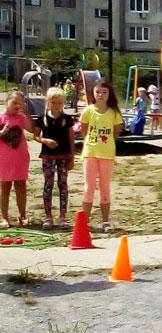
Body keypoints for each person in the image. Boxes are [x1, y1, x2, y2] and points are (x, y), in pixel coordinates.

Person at [80, 80, 123, 232]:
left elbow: (116, 132)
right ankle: (84, 222)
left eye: (104, 92)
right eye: (98, 92)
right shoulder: (88, 111)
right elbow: (84, 130)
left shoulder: (114, 113)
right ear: (93, 93)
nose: (101, 95)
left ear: (109, 94)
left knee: (105, 187)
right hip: (90, 153)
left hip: (107, 154)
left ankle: (105, 221)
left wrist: (106, 142)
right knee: (89, 187)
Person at [32, 87, 75, 229]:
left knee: (63, 184)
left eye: (59, 103)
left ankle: (63, 216)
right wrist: (45, 141)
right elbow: (35, 136)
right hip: (48, 156)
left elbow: (71, 139)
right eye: (53, 102)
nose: (56, 105)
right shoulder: (42, 119)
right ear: (48, 102)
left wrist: (72, 158)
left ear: (63, 103)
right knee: (48, 184)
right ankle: (48, 216)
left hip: (64, 156)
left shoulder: (67, 119)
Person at [0, 91, 32, 228]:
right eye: (14, 102)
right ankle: (4, 217)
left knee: (21, 187)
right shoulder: (1, 117)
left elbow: (31, 129)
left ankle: (22, 215)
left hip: (20, 158)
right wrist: (3, 131)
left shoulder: (21, 117)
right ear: (6, 102)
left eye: (20, 103)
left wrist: (27, 113)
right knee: (5, 188)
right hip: (4, 159)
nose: (17, 106)